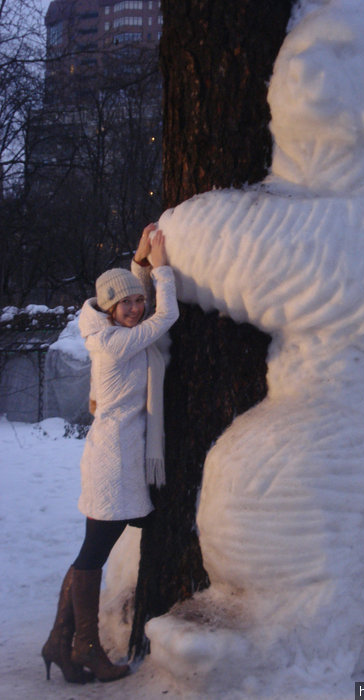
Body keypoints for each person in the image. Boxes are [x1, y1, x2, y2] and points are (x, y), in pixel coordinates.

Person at [42, 225, 179, 684]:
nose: (137, 308)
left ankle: (61, 642)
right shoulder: (117, 343)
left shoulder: (108, 329)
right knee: (93, 552)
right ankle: (83, 646)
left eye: (136, 301)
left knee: (91, 550)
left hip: (113, 454)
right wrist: (160, 272)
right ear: (108, 309)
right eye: (126, 303)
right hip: (113, 462)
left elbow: (143, 310)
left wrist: (138, 261)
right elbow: (166, 318)